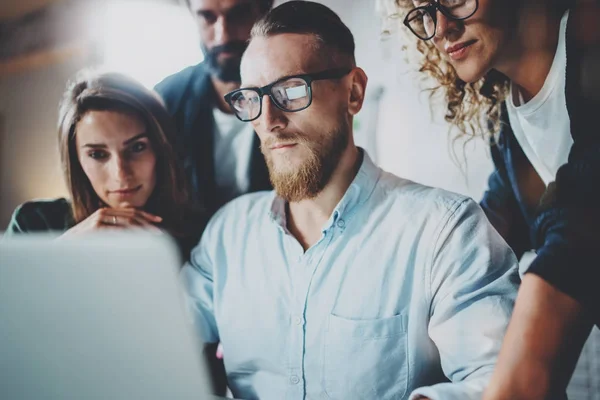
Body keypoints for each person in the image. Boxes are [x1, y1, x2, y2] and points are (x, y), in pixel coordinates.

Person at [181, 2, 520, 399]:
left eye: (290, 90)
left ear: (354, 91)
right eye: (252, 98)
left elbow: (499, 381)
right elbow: (154, 344)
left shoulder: (445, 232)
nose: (269, 119)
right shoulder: (227, 236)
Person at [389, 0, 600, 398]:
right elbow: (487, 235)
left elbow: (579, 228)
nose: (441, 28)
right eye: (425, 13)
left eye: (454, 0)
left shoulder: (591, 38)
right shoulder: (508, 120)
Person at [5, 70, 204, 261]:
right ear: (77, 161)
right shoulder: (34, 226)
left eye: (137, 147)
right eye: (98, 154)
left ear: (162, 148)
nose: (121, 173)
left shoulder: (201, 235)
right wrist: (63, 251)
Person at [155, 0, 274, 215]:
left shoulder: (294, 97)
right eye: (207, 17)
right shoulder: (166, 100)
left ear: (265, 11)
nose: (223, 35)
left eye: (238, 14)